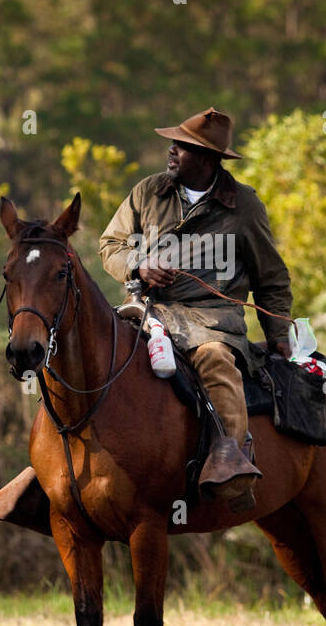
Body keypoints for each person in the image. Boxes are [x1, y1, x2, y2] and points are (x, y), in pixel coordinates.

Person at [99, 107, 293, 511]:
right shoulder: (147, 192)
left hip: (213, 322)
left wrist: (278, 338)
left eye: (182, 147)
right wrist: (139, 265)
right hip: (146, 313)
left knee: (216, 363)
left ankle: (231, 463)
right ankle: (57, 460)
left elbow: (271, 278)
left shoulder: (244, 206)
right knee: (97, 355)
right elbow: (110, 246)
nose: (171, 151)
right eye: (174, 143)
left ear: (207, 159)